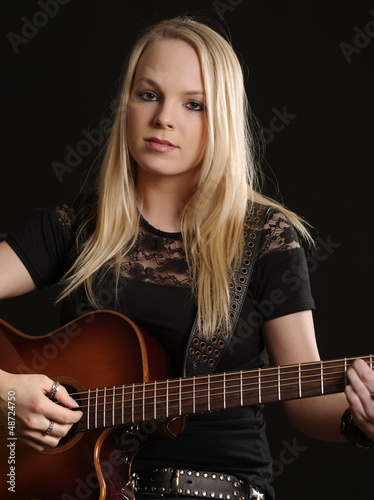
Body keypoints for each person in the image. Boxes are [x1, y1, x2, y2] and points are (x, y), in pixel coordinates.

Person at [0, 16, 373, 499]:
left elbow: (306, 402)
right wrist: (5, 391)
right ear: (126, 103)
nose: (164, 119)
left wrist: (360, 420)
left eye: (193, 104)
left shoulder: (266, 238)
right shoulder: (73, 227)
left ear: (221, 119)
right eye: (149, 94)